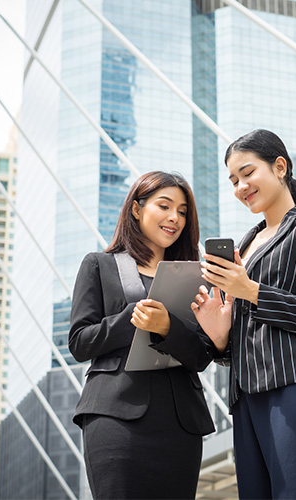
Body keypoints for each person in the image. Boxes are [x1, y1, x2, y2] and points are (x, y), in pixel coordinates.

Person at [192, 129, 296, 499]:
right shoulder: (245, 243)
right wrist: (219, 336)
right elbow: (242, 339)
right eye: (233, 181)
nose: (240, 187)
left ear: (280, 167)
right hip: (245, 400)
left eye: (247, 173)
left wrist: (251, 290)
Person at [69, 171, 215, 499]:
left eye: (182, 211)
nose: (174, 217)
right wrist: (132, 319)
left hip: (181, 423)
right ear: (137, 209)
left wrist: (167, 328)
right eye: (164, 206)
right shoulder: (99, 266)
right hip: (115, 416)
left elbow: (203, 355)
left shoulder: (196, 277)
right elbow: (79, 341)